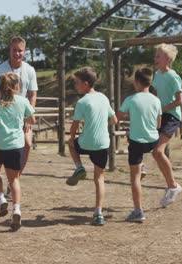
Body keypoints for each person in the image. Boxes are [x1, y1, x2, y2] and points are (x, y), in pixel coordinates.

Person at [65, 66, 117, 226]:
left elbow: (74, 126)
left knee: (71, 145)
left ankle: (79, 167)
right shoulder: (103, 97)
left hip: (86, 142)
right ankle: (98, 213)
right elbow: (114, 120)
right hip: (102, 143)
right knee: (99, 178)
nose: (76, 86)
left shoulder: (82, 102)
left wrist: (72, 138)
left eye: (77, 83)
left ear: (86, 84)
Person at [0, 72, 35, 231]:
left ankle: (1, 198)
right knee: (14, 179)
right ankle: (16, 210)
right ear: (16, 86)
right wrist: (25, 120)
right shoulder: (22, 101)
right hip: (16, 145)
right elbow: (32, 120)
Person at [0, 36, 38, 195]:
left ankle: (15, 178)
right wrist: (0, 112)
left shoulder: (29, 70)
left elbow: (32, 94)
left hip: (23, 113)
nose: (17, 53)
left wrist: (28, 114)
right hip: (5, 114)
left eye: (20, 51)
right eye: (14, 50)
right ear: (9, 50)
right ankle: (11, 180)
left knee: (28, 144)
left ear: (24, 52)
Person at [116, 67, 162, 222]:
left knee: (134, 177)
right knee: (139, 162)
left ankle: (138, 211)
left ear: (136, 82)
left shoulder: (131, 99)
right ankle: (141, 166)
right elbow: (158, 123)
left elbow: (117, 118)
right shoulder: (157, 100)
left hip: (137, 142)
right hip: (153, 141)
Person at [152, 44, 182, 207]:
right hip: (160, 115)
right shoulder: (157, 75)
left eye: (158, 56)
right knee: (153, 151)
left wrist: (161, 109)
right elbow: (156, 96)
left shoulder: (173, 76)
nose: (155, 58)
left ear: (168, 59)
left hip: (171, 116)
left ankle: (173, 186)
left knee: (157, 151)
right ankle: (171, 185)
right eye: (156, 55)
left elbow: (179, 101)